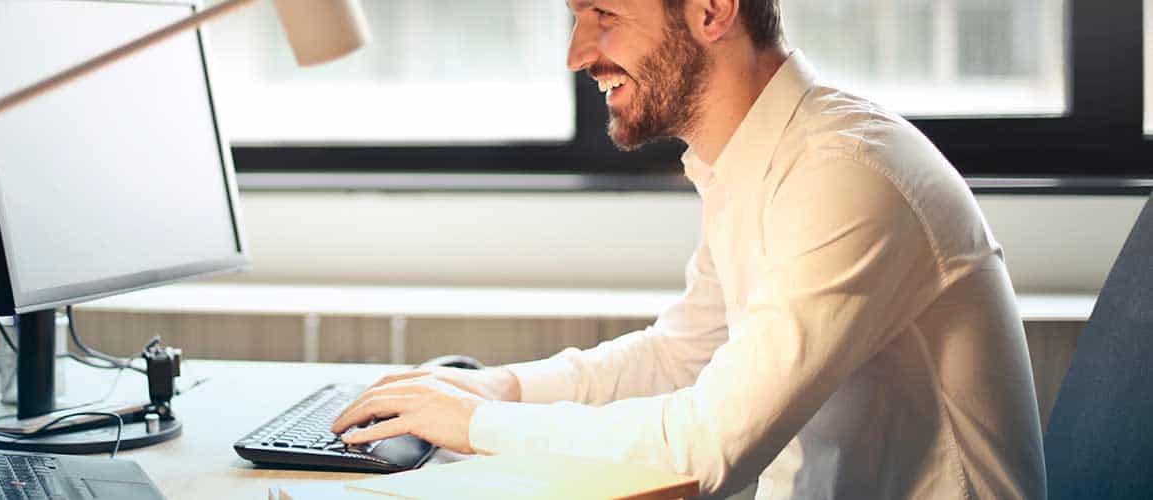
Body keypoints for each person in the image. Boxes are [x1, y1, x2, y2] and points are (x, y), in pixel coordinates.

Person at [330, 0, 1048, 498]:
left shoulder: (847, 175)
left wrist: (477, 426)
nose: (579, 53)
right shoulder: (753, 160)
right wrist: (501, 388)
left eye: (604, 16)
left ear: (712, 12)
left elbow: (707, 449)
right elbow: (682, 356)